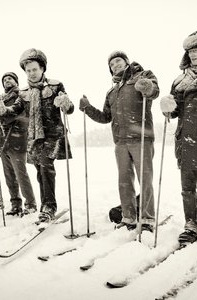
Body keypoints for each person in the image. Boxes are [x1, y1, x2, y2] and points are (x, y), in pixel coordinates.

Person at [80, 51, 159, 232]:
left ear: (126, 62)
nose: (115, 65)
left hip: (141, 138)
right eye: (112, 64)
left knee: (145, 180)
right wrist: (87, 108)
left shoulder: (142, 75)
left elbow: (154, 91)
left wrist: (147, 87)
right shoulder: (112, 91)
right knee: (124, 181)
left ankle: (147, 219)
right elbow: (105, 117)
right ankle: (129, 217)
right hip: (120, 142)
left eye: (118, 61)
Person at [0, 48, 74, 222]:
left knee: (46, 167)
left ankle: (48, 207)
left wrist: (65, 103)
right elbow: (14, 110)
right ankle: (46, 204)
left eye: (34, 69)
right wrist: (3, 110)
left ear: (42, 68)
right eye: (28, 70)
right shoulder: (23, 93)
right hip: (34, 137)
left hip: (52, 135)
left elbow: (70, 108)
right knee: (40, 172)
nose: (31, 73)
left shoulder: (55, 85)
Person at [160, 30, 197, 246]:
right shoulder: (178, 81)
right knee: (187, 187)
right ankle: (192, 223)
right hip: (186, 140)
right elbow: (174, 111)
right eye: (191, 51)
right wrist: (167, 108)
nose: (193, 55)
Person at [0, 72, 37, 216]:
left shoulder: (21, 95)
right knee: (9, 175)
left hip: (17, 139)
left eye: (10, 78)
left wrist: (7, 119)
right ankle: (16, 204)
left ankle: (30, 204)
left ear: (16, 81)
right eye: (4, 80)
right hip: (3, 141)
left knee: (20, 174)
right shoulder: (0, 99)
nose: (7, 81)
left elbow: (25, 115)